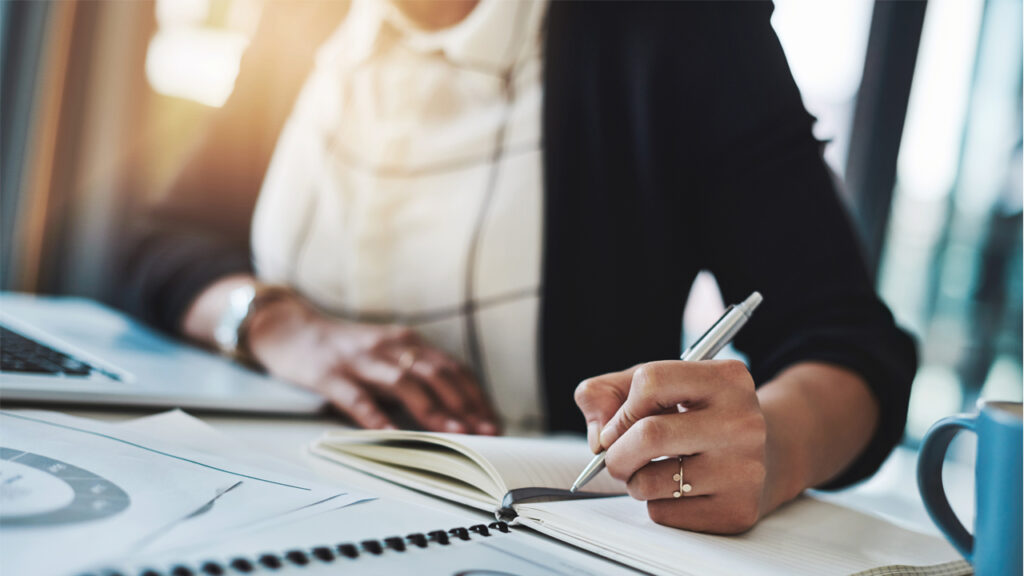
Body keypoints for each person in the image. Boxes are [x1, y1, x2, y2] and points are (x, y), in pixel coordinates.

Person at [121, 0, 917, 535]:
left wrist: (771, 449)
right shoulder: (305, 21)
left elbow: (850, 348)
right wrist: (285, 327)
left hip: (520, 534)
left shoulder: (678, 28)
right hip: (243, 501)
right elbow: (158, 240)